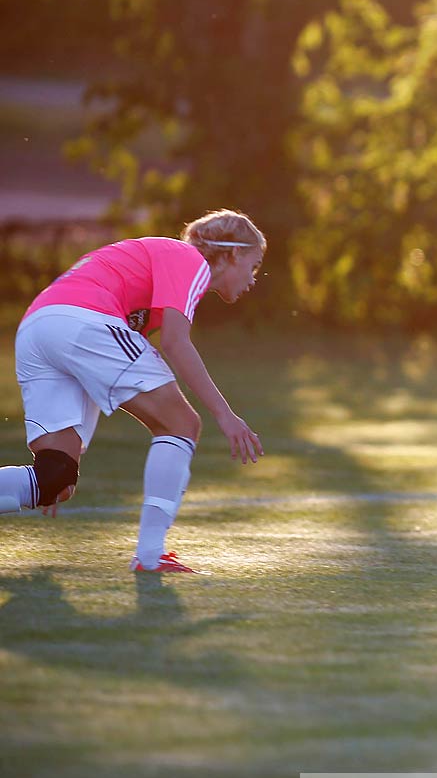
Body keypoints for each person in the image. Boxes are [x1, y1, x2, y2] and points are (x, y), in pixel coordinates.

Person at [3, 210, 267, 573]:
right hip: (82, 320)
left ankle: (54, 482)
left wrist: (69, 460)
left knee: (54, 479)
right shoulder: (190, 260)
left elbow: (98, 374)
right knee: (181, 424)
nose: (253, 279)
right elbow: (175, 344)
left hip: (37, 327)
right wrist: (226, 415)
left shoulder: (162, 276)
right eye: (254, 265)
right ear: (232, 254)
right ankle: (150, 554)